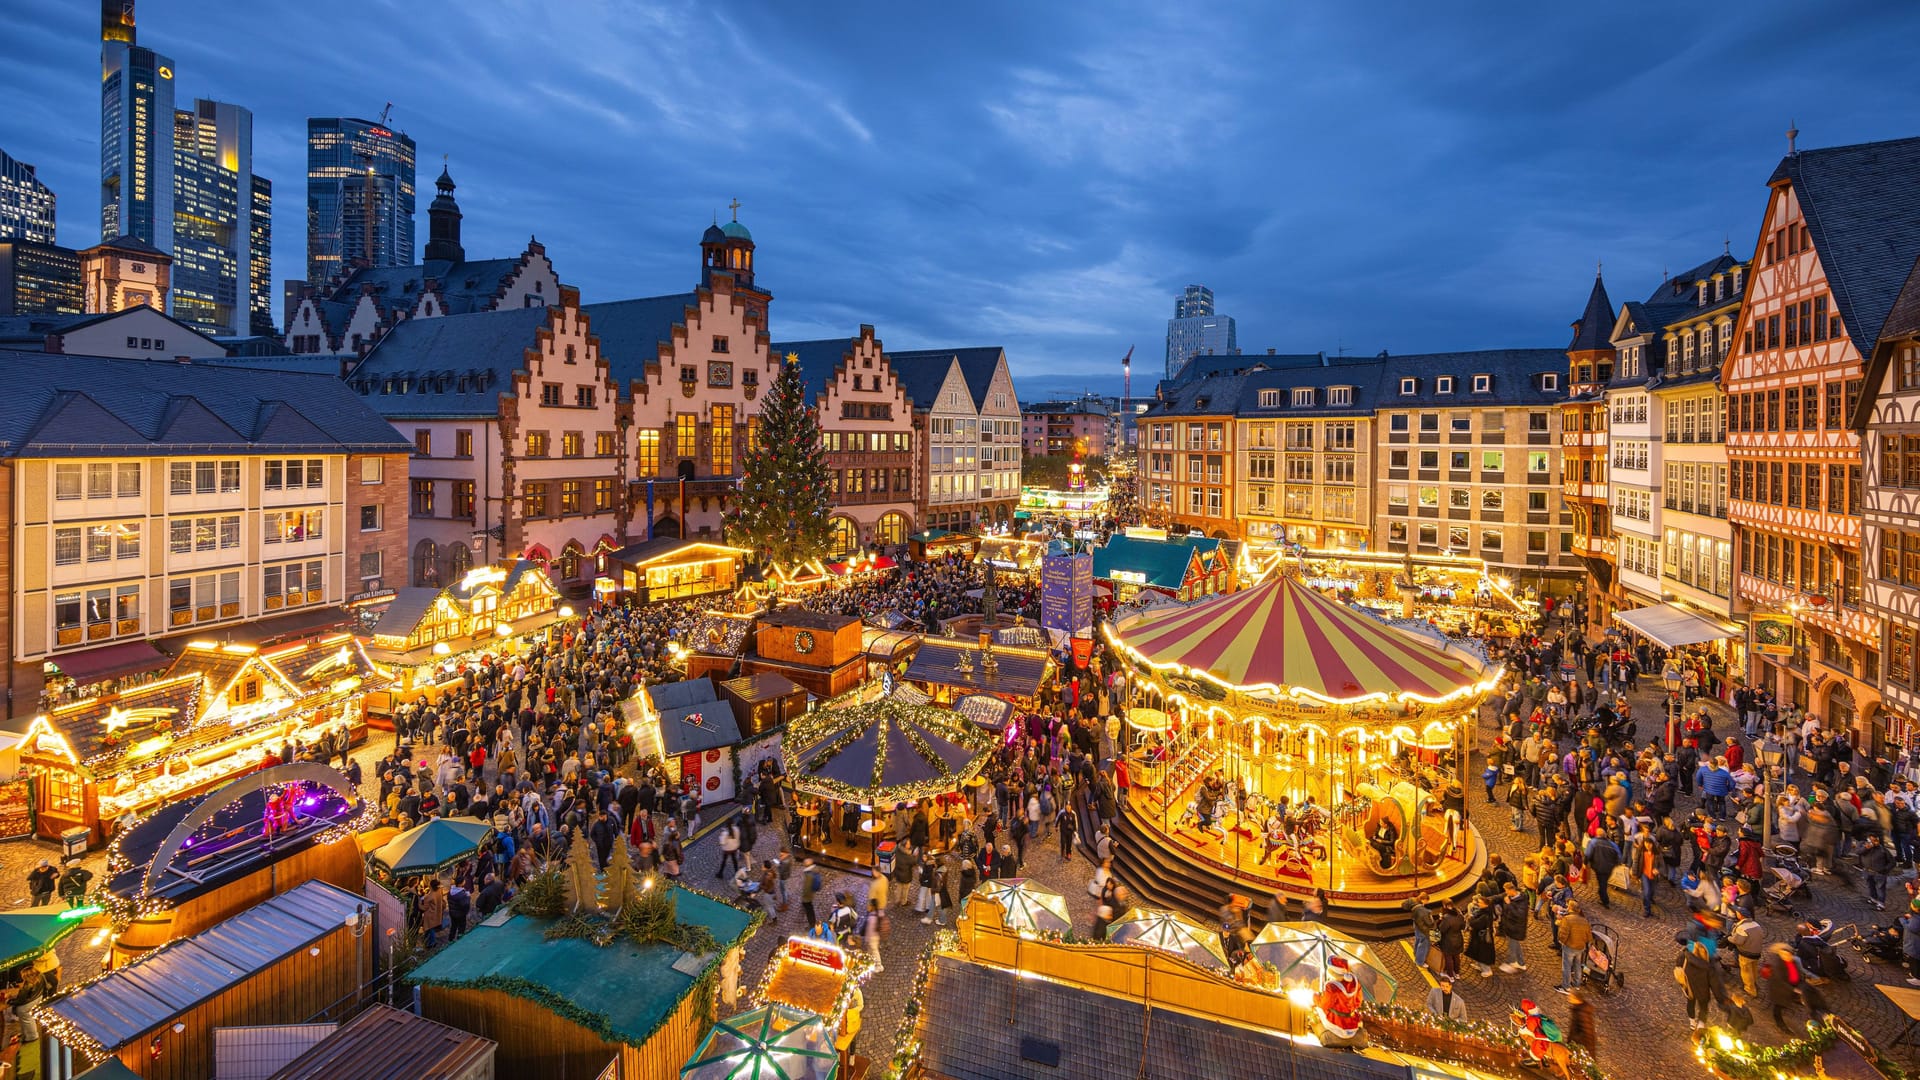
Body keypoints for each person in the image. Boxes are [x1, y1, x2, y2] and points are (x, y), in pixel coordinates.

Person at [1554, 899, 1590, 993]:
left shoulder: (1567, 919)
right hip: (1580, 947)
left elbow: (1563, 934)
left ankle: (1565, 987)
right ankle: (1576, 984)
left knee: (1567, 966)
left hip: (1570, 946)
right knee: (1577, 965)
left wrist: (1561, 941)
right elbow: (1589, 936)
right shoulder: (1584, 920)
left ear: (1570, 908)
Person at [1565, 986, 1596, 1059]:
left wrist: (1574, 1040)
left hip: (1582, 1046)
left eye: (1570, 996)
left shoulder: (1582, 1012)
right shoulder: (1578, 1008)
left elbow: (1587, 1031)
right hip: (1578, 1045)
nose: (1568, 998)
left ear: (1576, 998)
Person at [799, 857, 823, 929]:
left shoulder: (809, 874)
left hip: (808, 897)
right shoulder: (814, 870)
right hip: (811, 894)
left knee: (809, 910)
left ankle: (812, 924)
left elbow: (807, 888)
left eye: (805, 862)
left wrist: (804, 898)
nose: (803, 863)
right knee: (809, 908)